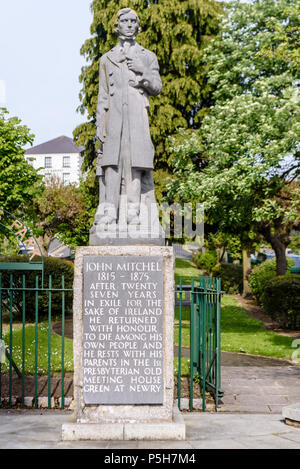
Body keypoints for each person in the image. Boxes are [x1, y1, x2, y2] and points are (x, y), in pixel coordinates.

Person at [94, 8, 162, 231]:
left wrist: (142, 72)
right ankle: (109, 214)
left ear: (138, 25)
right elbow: (102, 95)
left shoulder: (147, 56)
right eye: (125, 21)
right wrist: (99, 125)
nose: (130, 25)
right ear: (117, 26)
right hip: (114, 121)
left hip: (136, 119)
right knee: (112, 166)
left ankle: (134, 215)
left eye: (134, 21)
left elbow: (157, 88)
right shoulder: (107, 59)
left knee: (135, 165)